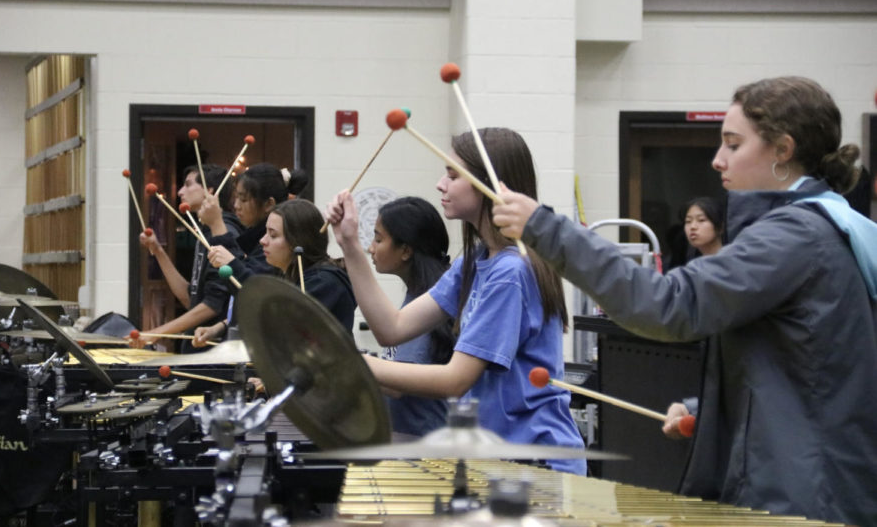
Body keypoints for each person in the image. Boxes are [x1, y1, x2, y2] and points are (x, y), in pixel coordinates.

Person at [491, 76, 877, 525]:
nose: (717, 160)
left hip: (805, 496)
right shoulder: (831, 227)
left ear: (783, 150)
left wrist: (545, 227)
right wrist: (704, 411)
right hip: (813, 482)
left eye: (733, 145)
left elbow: (668, 304)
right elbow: (806, 369)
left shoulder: (796, 235)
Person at [326, 127, 587, 475]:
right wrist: (349, 245)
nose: (440, 184)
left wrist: (353, 363)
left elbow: (455, 379)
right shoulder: (477, 260)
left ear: (489, 186)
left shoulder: (511, 271)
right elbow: (392, 328)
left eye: (452, 175)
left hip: (537, 462)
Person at [194, 198, 356, 348]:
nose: (262, 241)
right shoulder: (288, 274)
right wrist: (221, 327)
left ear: (297, 241)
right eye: (265, 233)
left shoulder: (325, 282)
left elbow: (278, 321)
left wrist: (233, 265)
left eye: (273, 235)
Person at [130, 164, 242, 351]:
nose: (180, 191)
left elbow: (212, 306)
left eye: (188, 185)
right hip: (197, 350)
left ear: (210, 191)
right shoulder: (203, 234)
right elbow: (191, 299)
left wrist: (155, 334)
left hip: (215, 354)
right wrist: (158, 251)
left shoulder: (224, 234)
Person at [368, 196, 454, 437]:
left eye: (378, 239)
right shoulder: (420, 292)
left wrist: (350, 365)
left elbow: (398, 386)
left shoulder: (427, 300)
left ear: (405, 250)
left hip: (425, 445)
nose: (370, 248)